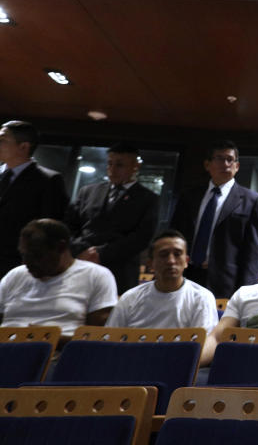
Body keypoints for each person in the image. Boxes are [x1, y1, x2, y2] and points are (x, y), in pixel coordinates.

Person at [169, 140, 258, 299]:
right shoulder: (190, 196)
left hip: (225, 281)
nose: (225, 164)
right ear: (207, 165)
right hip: (185, 275)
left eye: (230, 159)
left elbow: (253, 250)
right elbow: (175, 234)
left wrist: (247, 291)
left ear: (237, 166)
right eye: (219, 159)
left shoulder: (252, 200)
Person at [106, 230, 219, 365]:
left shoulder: (202, 297)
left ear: (186, 261)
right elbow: (109, 341)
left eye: (177, 254)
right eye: (163, 255)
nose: (171, 261)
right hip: (132, 365)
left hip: (179, 367)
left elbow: (204, 347)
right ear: (150, 263)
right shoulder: (130, 297)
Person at [0, 218, 116, 342]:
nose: (26, 262)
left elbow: (97, 337)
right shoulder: (15, 275)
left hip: (59, 354)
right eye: (23, 255)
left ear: (61, 247)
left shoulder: (95, 275)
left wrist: (47, 337)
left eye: (36, 256)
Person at [66, 143, 159, 293]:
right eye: (110, 163)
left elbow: (142, 237)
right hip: (81, 263)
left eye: (120, 165)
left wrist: (101, 253)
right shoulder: (88, 192)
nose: (112, 169)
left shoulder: (147, 198)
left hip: (120, 270)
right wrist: (81, 249)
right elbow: (70, 226)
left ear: (135, 166)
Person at [0, 120, 68, 277]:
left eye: (2, 140)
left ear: (23, 146)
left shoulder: (48, 180)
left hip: (17, 264)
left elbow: (49, 228)